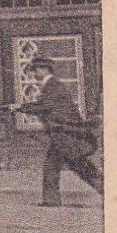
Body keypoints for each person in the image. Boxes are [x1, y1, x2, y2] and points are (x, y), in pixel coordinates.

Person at [13, 57, 102, 207]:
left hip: (66, 135)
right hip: (64, 135)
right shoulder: (51, 85)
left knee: (75, 167)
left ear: (44, 69)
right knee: (69, 167)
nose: (34, 74)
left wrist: (20, 107)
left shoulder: (52, 85)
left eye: (35, 70)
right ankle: (51, 200)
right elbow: (45, 106)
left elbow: (44, 106)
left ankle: (52, 201)